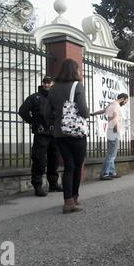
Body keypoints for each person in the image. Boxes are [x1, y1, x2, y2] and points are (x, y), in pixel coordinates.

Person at [45, 59, 89, 214]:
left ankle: (68, 200)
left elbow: (47, 113)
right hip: (76, 133)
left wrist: (59, 119)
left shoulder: (53, 88)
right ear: (74, 71)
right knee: (77, 166)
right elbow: (83, 111)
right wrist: (86, 113)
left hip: (59, 134)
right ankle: (74, 198)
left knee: (68, 166)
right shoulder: (78, 86)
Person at [18, 75, 62, 197]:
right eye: (45, 82)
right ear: (42, 83)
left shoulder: (56, 98)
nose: (47, 85)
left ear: (52, 84)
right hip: (41, 134)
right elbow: (22, 111)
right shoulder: (34, 98)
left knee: (54, 160)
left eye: (49, 82)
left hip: (54, 134)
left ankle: (53, 184)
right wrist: (33, 122)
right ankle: (38, 186)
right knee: (39, 160)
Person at [91, 93, 129, 180]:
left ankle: (112, 172)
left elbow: (103, 110)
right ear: (123, 99)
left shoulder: (112, 104)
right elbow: (115, 118)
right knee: (111, 154)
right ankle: (105, 173)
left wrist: (93, 113)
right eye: (126, 101)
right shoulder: (116, 106)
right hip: (114, 131)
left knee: (111, 153)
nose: (125, 103)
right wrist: (116, 131)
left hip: (110, 131)